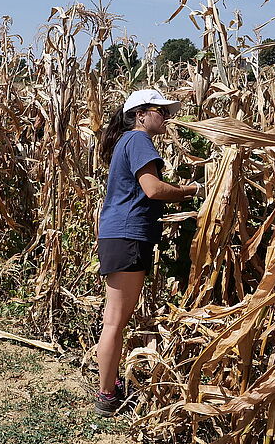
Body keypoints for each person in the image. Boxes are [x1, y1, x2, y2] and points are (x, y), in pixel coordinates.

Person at [93, 89, 203, 417]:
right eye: (161, 111)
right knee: (114, 321)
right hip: (128, 235)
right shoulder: (139, 140)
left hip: (118, 234)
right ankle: (108, 396)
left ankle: (109, 389)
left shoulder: (125, 141)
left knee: (113, 319)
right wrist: (193, 190)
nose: (166, 117)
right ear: (141, 113)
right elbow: (153, 189)